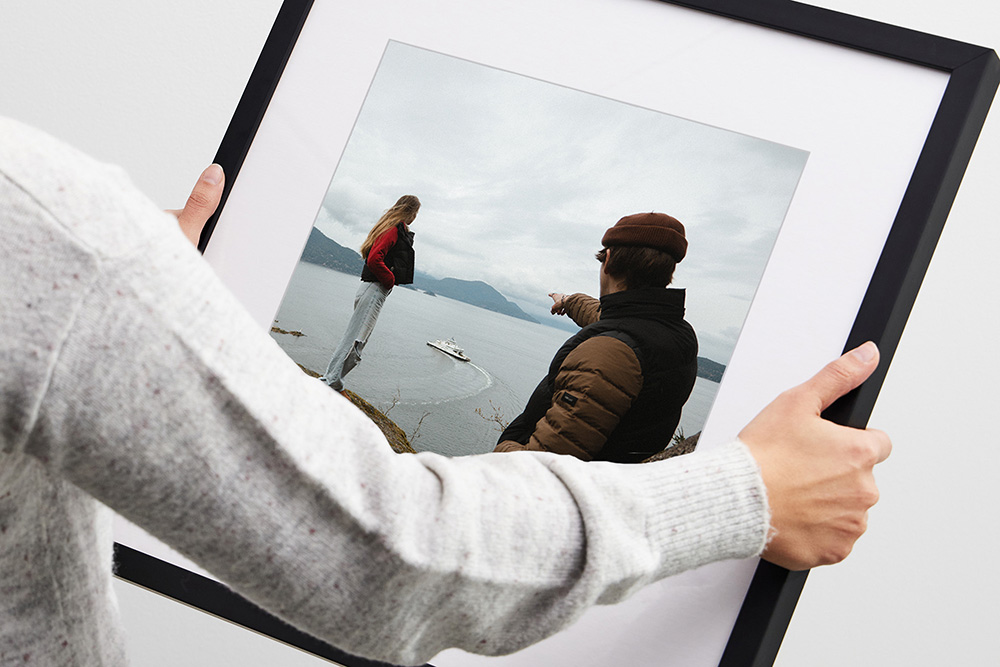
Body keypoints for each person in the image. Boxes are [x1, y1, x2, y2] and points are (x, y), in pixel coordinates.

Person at [0, 118, 890, 666]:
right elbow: (389, 554)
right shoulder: (677, 338)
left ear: (609, 262)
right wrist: (746, 491)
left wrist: (129, 297)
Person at [496, 212, 697, 462]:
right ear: (667, 271)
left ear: (609, 260)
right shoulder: (673, 331)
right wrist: (568, 301)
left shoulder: (607, 356)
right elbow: (609, 318)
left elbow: (541, 467)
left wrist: (502, 449)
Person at [320, 195, 420, 391]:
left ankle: (334, 381)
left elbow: (374, 256)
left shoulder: (389, 228)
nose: (416, 217)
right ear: (411, 211)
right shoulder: (393, 230)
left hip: (371, 289)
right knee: (355, 341)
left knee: (356, 340)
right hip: (374, 289)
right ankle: (330, 382)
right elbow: (375, 259)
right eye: (416, 213)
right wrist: (390, 279)